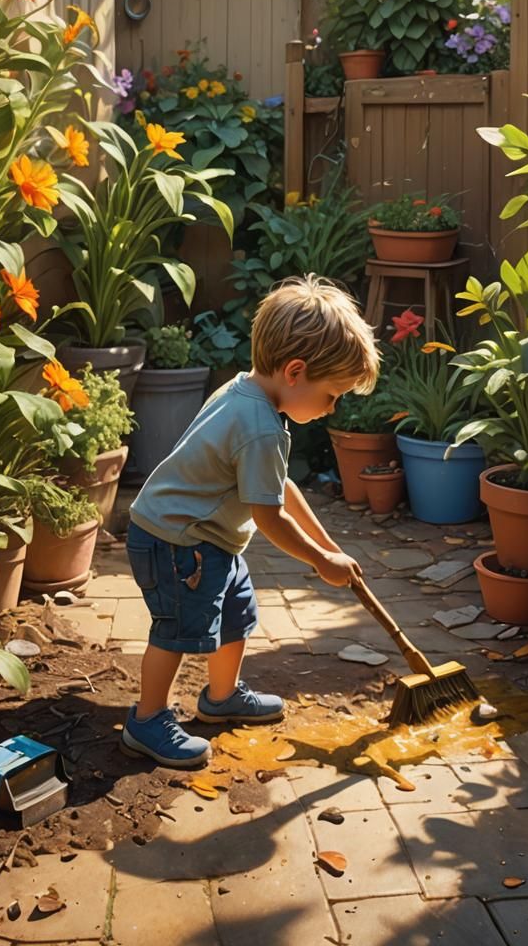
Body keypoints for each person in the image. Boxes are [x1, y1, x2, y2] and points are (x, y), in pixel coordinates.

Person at [122, 273, 380, 769]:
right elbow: (268, 515)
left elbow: (280, 486)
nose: (333, 408)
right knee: (175, 630)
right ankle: (147, 718)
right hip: (175, 542)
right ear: (295, 371)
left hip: (209, 540)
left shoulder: (247, 391)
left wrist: (328, 546)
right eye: (332, 394)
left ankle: (221, 697)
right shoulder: (261, 427)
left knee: (237, 611)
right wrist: (317, 560)